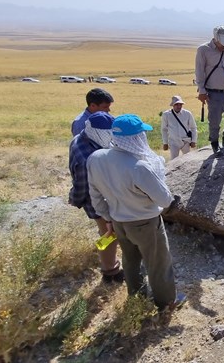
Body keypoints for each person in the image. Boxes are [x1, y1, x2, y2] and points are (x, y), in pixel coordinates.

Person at [87, 114, 182, 312]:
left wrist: (108, 218)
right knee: (158, 264)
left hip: (118, 221)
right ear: (136, 138)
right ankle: (166, 303)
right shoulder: (139, 167)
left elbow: (95, 195)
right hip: (145, 223)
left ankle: (137, 299)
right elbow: (164, 200)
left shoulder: (96, 159)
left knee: (130, 262)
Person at [68, 112, 124, 284]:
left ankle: (110, 265)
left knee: (107, 232)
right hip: (97, 201)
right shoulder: (86, 156)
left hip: (101, 196)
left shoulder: (81, 139)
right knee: (109, 233)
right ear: (96, 132)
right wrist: (75, 199)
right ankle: (110, 270)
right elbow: (83, 184)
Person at [195, 25, 224, 153]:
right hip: (213, 93)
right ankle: (215, 143)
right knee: (214, 121)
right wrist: (202, 91)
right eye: (223, 43)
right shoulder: (203, 50)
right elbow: (199, 72)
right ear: (216, 38)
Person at [161, 95, 197, 160]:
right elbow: (164, 129)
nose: (179, 106)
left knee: (188, 160)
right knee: (173, 161)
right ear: (173, 105)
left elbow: (193, 128)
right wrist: (165, 143)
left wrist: (194, 141)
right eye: (177, 104)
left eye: (180, 104)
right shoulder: (166, 114)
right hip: (173, 142)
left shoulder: (187, 113)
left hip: (185, 141)